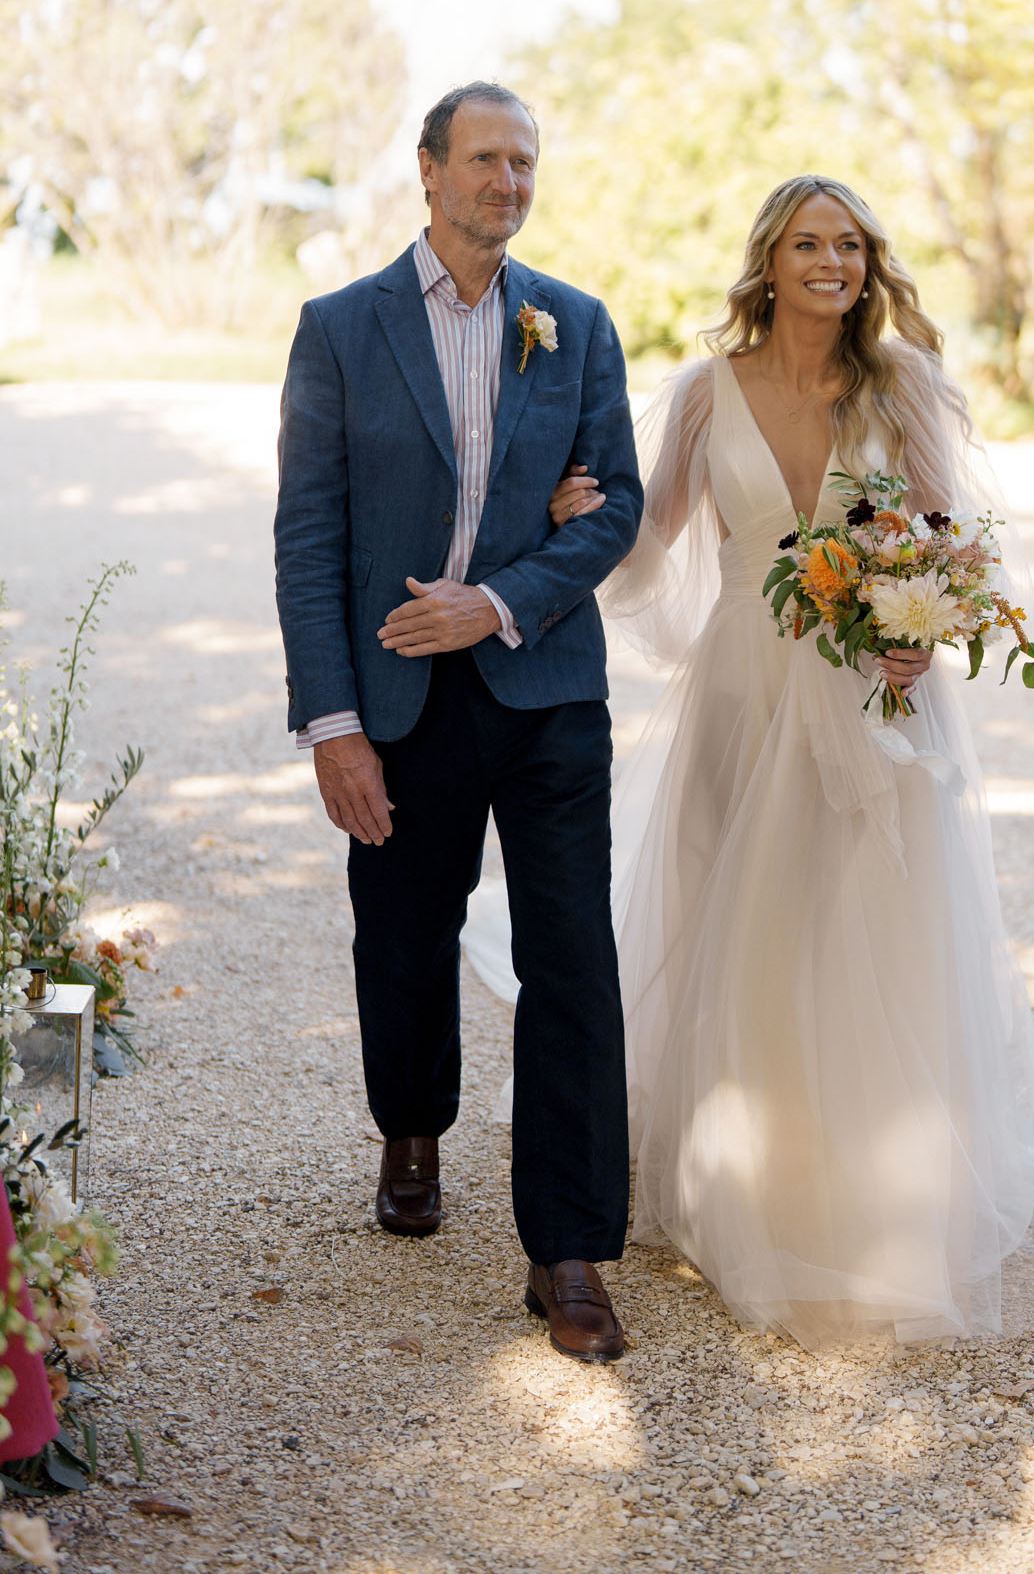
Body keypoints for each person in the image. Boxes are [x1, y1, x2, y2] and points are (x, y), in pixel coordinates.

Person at [532, 173, 1034, 1349]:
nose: (832, 262)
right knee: (742, 919)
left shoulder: (900, 385)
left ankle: (872, 1200)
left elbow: (955, 540)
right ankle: (748, 1187)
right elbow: (650, 545)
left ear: (867, 264)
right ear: (770, 259)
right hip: (745, 690)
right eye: (809, 242)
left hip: (872, 685)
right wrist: (571, 516)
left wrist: (922, 630)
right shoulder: (707, 390)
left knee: (868, 923)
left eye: (849, 244)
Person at [274, 80, 643, 1363]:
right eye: (484, 158)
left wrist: (494, 601)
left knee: (572, 959)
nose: (507, 180)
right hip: (395, 701)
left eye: (524, 161)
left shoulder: (577, 324)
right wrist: (333, 725)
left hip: (545, 692)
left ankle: (571, 1245)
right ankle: (413, 1130)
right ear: (427, 172)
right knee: (403, 933)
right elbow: (309, 532)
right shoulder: (336, 328)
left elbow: (613, 510)